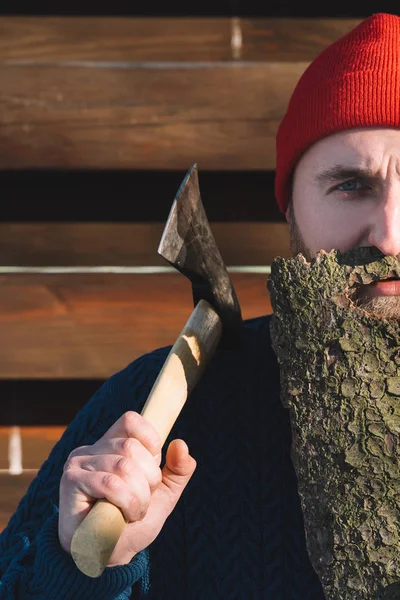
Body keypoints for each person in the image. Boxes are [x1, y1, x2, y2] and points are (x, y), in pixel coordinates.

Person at [1, 11, 399, 599]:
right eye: (350, 185)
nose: (389, 233)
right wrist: (85, 567)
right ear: (291, 209)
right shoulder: (154, 410)